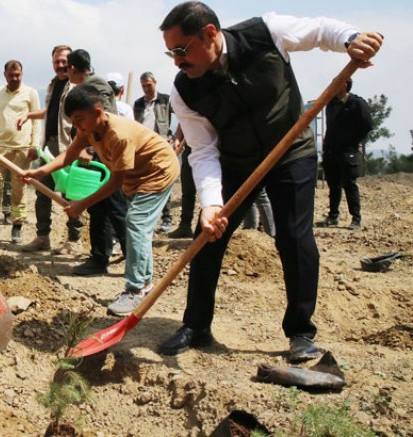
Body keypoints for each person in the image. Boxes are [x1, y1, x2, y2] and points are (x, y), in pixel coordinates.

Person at [157, 1, 382, 362]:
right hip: (236, 162)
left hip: (291, 152)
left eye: (181, 50)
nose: (177, 62)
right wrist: (211, 204)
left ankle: (300, 332)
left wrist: (350, 39)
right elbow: (203, 150)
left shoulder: (264, 33)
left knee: (294, 237)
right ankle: (196, 326)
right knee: (208, 237)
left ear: (210, 34)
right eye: (171, 53)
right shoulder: (185, 91)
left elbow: (319, 29)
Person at [23, 84, 179, 316]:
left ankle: (136, 289)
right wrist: (41, 171)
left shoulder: (119, 135)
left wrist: (82, 204)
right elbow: (69, 155)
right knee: (139, 227)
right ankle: (144, 284)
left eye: (79, 120)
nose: (77, 126)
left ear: (97, 112)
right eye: (73, 121)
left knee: (136, 224)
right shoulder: (88, 129)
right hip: (136, 175)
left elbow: (115, 182)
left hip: (158, 171)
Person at [65, 49, 129, 276]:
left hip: (106, 156)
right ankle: (100, 257)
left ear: (72, 68)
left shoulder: (96, 85)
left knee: (115, 206)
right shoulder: (89, 84)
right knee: (99, 206)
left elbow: (104, 122)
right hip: (98, 154)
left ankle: (133, 258)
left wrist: (90, 149)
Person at [17, 44, 84, 255]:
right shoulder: (53, 85)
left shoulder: (76, 85)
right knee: (42, 191)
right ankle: (42, 237)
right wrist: (29, 115)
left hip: (68, 146)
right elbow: (52, 111)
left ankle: (74, 240)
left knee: (70, 193)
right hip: (49, 145)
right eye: (57, 61)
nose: (60, 65)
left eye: (64, 61)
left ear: (71, 63)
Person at [0, 60, 41, 243]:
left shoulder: (30, 93)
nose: (15, 78)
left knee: (18, 189)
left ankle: (17, 227)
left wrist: (35, 145)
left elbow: (36, 121)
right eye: (11, 75)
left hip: (22, 149)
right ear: (5, 75)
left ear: (22, 74)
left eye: (18, 75)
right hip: (0, 148)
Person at [321, 78, 372, 230]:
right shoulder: (331, 103)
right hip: (331, 150)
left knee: (349, 184)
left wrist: (353, 141)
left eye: (336, 82)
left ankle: (356, 218)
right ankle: (333, 216)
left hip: (347, 151)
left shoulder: (356, 103)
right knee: (333, 185)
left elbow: (367, 125)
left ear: (344, 85)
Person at [134, 71, 176, 234]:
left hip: (162, 145)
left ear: (155, 83)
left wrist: (175, 138)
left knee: (163, 181)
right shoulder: (138, 103)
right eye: (143, 86)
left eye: (148, 85)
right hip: (143, 146)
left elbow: (182, 114)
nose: (146, 89)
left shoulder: (165, 100)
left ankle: (167, 218)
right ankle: (147, 219)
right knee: (144, 182)